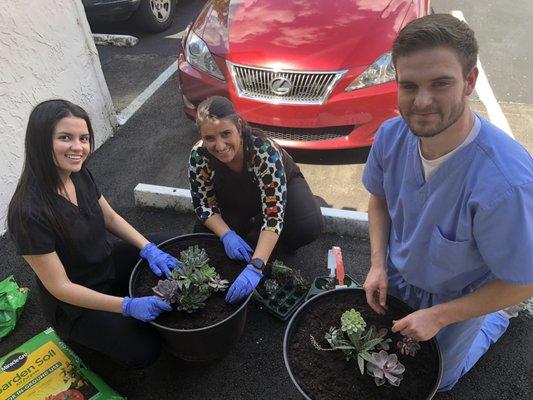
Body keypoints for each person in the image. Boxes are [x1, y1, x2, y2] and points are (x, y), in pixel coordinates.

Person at [362, 14, 533, 391]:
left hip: (460, 300)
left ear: (470, 81)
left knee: (439, 380)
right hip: (399, 274)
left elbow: (524, 282)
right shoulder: (390, 137)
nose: (422, 102)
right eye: (409, 85)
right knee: (395, 350)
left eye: (440, 83)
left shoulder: (507, 182)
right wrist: (377, 264)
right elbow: (378, 200)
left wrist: (441, 316)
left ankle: (498, 319)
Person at [8, 99, 181, 369]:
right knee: (144, 351)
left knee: (170, 245)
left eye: (84, 138)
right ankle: (88, 333)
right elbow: (60, 287)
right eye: (66, 138)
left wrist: (148, 247)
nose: (78, 147)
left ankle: (122, 297)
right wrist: (127, 306)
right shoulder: (27, 212)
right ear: (40, 140)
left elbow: (109, 216)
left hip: (105, 264)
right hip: (76, 303)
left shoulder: (77, 174)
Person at [188, 96, 323, 304]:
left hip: (279, 186)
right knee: (206, 237)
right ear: (202, 137)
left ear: (239, 126)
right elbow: (204, 205)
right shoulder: (199, 156)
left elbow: (273, 215)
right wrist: (226, 235)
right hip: (237, 192)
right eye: (210, 138)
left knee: (308, 224)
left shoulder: (263, 151)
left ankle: (278, 245)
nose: (220, 146)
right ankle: (251, 235)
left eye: (226, 134)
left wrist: (257, 266)